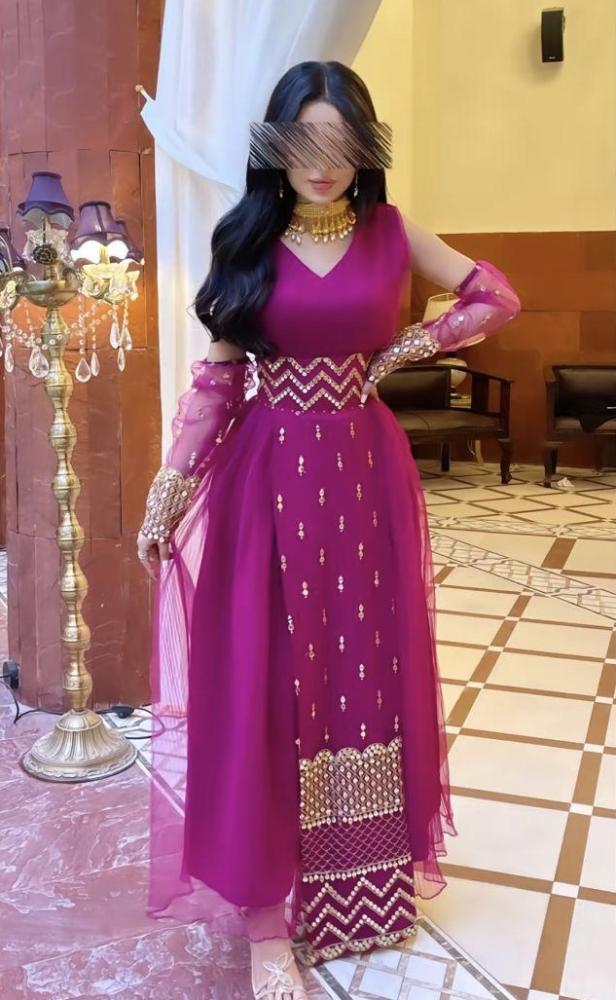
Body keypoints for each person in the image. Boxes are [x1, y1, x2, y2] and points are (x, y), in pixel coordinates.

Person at [137, 60, 521, 1000]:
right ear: (275, 146)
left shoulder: (391, 232)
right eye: (304, 142)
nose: (323, 162)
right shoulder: (247, 237)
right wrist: (169, 485)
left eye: (342, 143)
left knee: (362, 675)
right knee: (267, 683)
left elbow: (496, 296)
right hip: (266, 479)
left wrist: (406, 347)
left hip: (364, 477)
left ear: (366, 148)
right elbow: (219, 381)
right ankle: (266, 920)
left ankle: (359, 893)